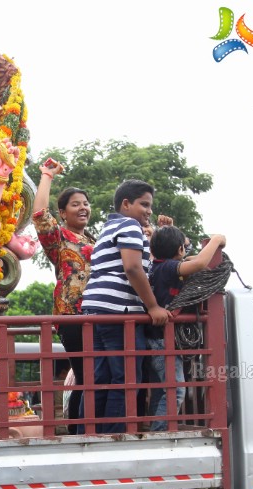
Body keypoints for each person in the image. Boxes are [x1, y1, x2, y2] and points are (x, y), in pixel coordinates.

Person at [81, 180, 170, 434]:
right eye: (144, 204)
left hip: (95, 309)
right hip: (118, 311)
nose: (148, 211)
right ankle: (113, 438)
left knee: (99, 380)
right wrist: (153, 307)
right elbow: (133, 268)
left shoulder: (108, 228)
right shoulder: (130, 226)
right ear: (126, 204)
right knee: (127, 380)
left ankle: (86, 435)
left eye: (150, 206)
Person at [32, 159, 94, 434]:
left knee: (95, 376)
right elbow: (39, 213)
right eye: (75, 204)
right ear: (63, 212)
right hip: (72, 316)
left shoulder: (95, 239)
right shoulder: (59, 237)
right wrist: (47, 175)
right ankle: (78, 431)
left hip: (98, 316)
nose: (83, 207)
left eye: (86, 203)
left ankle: (85, 429)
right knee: (85, 375)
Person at [146, 227, 227, 431]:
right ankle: (160, 432)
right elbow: (200, 263)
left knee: (163, 389)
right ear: (180, 249)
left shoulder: (158, 266)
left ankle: (157, 428)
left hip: (159, 338)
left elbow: (195, 263)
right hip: (162, 340)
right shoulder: (167, 267)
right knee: (176, 390)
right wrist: (216, 240)